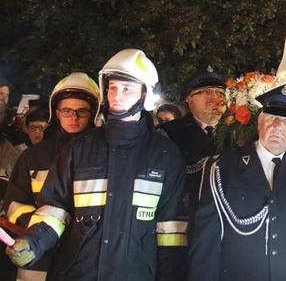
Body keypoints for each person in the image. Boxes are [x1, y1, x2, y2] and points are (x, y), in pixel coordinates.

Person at [6, 49, 188, 280]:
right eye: (112, 87)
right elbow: (55, 209)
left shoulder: (164, 153)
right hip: (78, 273)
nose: (117, 96)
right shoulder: (80, 148)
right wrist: (34, 242)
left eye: (126, 88)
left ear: (145, 94)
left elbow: (171, 231)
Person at [189, 84, 286, 280]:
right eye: (272, 118)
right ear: (260, 123)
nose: (278, 127)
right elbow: (206, 241)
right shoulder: (225, 167)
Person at [2, 73, 98, 280]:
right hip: (39, 255)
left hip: (88, 257)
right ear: (56, 112)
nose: (74, 117)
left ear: (94, 113)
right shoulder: (34, 156)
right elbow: (15, 204)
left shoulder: (104, 155)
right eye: (67, 110)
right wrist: (39, 233)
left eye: (81, 111)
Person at [159, 68, 224, 236]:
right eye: (204, 92)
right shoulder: (169, 133)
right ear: (190, 101)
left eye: (219, 92)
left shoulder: (239, 133)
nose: (214, 98)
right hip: (185, 225)